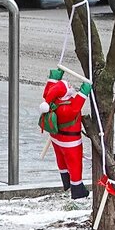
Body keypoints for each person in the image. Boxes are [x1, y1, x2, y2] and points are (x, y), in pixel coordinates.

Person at [39, 68, 92, 199]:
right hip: (70, 142)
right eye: (69, 86)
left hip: (56, 139)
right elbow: (77, 104)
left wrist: (56, 74)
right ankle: (77, 188)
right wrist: (85, 89)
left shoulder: (50, 99)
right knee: (74, 164)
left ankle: (66, 182)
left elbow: (50, 86)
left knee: (61, 161)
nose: (71, 87)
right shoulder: (65, 108)